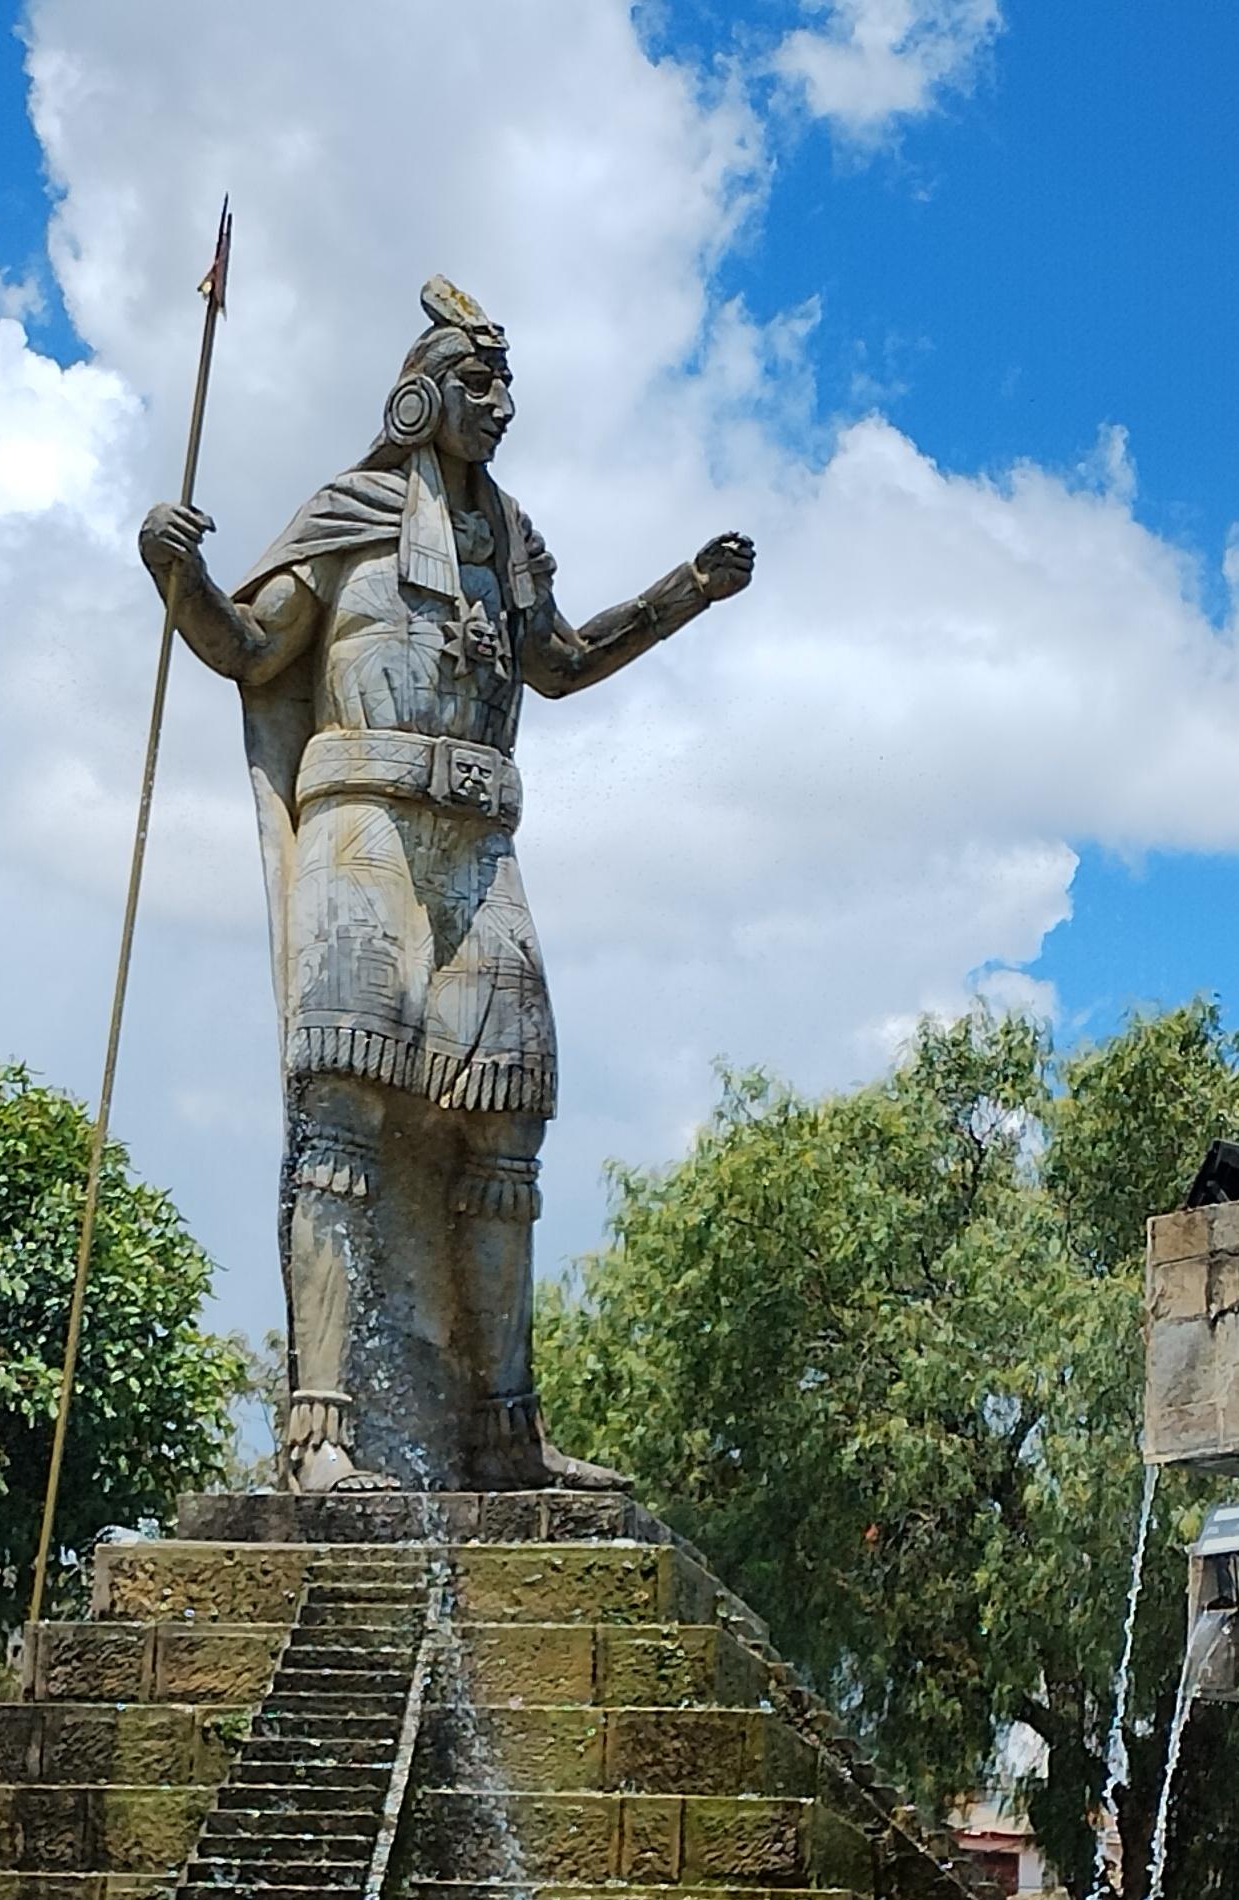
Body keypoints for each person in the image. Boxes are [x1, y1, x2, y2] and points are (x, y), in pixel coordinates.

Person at [139, 276, 755, 1492]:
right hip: (362, 826)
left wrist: (686, 590)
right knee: (339, 1112)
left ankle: (503, 1432)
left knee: (508, 1114)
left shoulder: (508, 544)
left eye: (508, 385)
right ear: (419, 397)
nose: (503, 404)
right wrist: (178, 578)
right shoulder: (351, 515)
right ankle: (321, 1434)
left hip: (479, 841)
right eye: (480, 384)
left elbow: (564, 664)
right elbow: (253, 649)